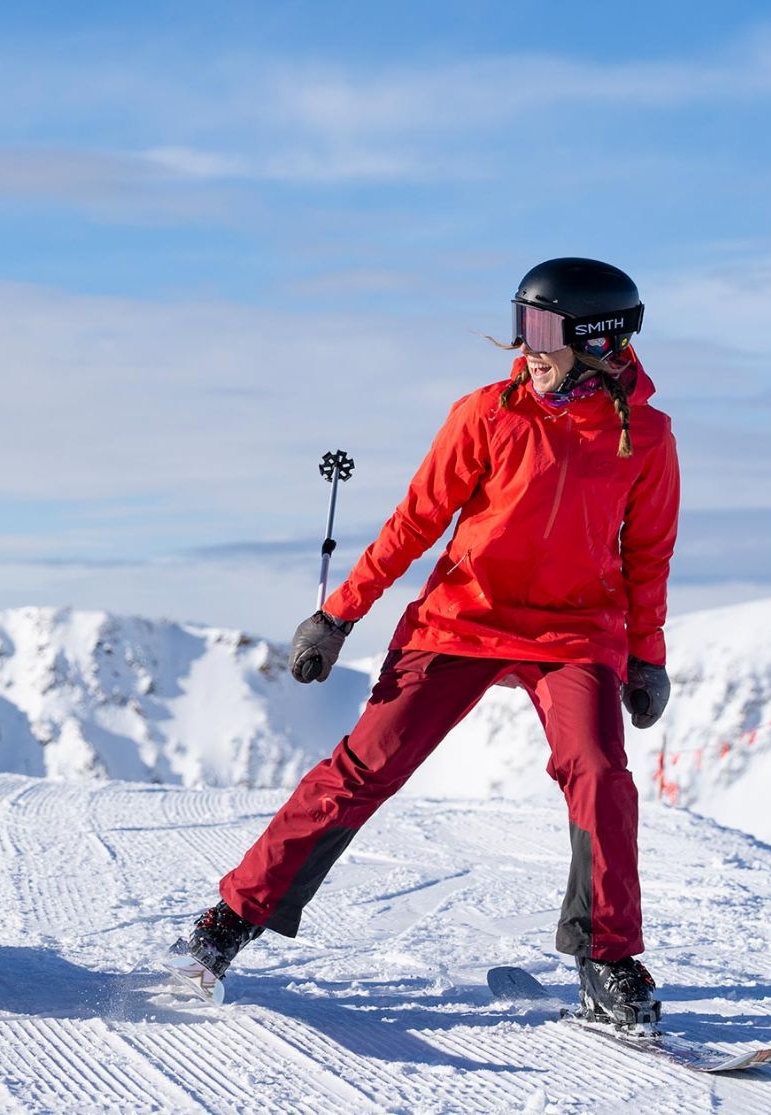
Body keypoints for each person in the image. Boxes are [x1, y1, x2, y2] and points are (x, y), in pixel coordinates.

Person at [169, 259, 679, 1026]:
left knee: (601, 770)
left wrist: (647, 657)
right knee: (364, 767)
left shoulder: (647, 438)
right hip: (461, 620)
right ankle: (230, 919)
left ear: (598, 337)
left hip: (574, 633)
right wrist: (338, 616)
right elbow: (414, 522)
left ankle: (606, 957)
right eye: (520, 324)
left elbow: (647, 557)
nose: (524, 345)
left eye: (540, 329)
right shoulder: (487, 414)